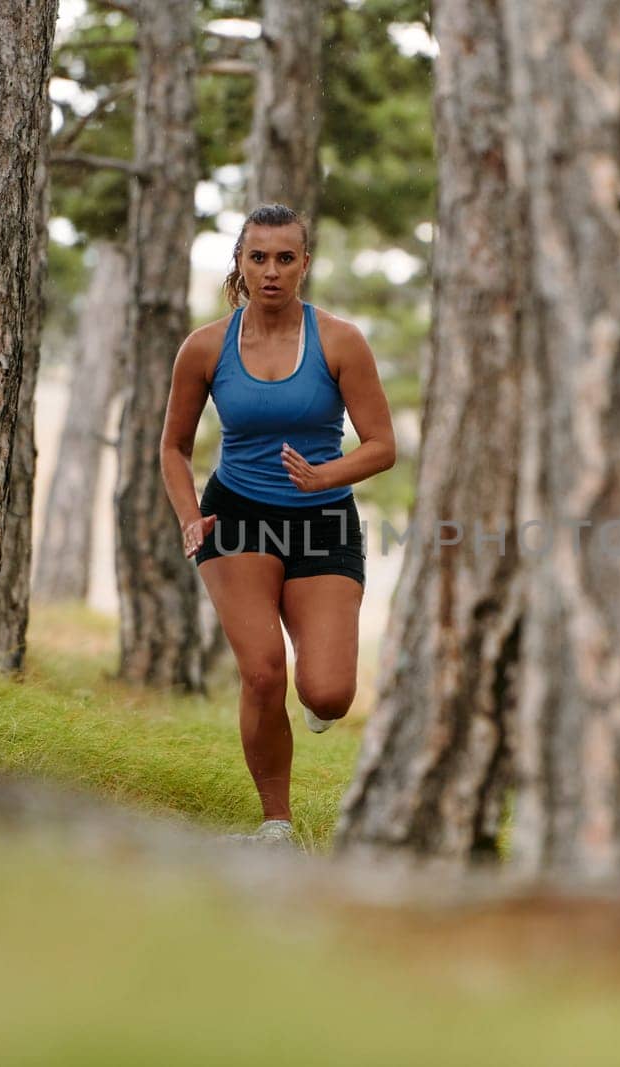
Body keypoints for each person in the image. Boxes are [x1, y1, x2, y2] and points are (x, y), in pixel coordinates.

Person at [160, 203, 397, 844]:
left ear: (304, 265)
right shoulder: (206, 346)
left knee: (327, 695)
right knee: (263, 673)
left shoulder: (341, 340)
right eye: (257, 257)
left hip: (321, 518)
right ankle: (276, 825)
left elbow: (382, 445)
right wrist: (190, 516)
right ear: (239, 263)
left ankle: (319, 701)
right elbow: (174, 447)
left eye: (284, 258)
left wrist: (328, 475)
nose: (271, 271)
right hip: (236, 515)